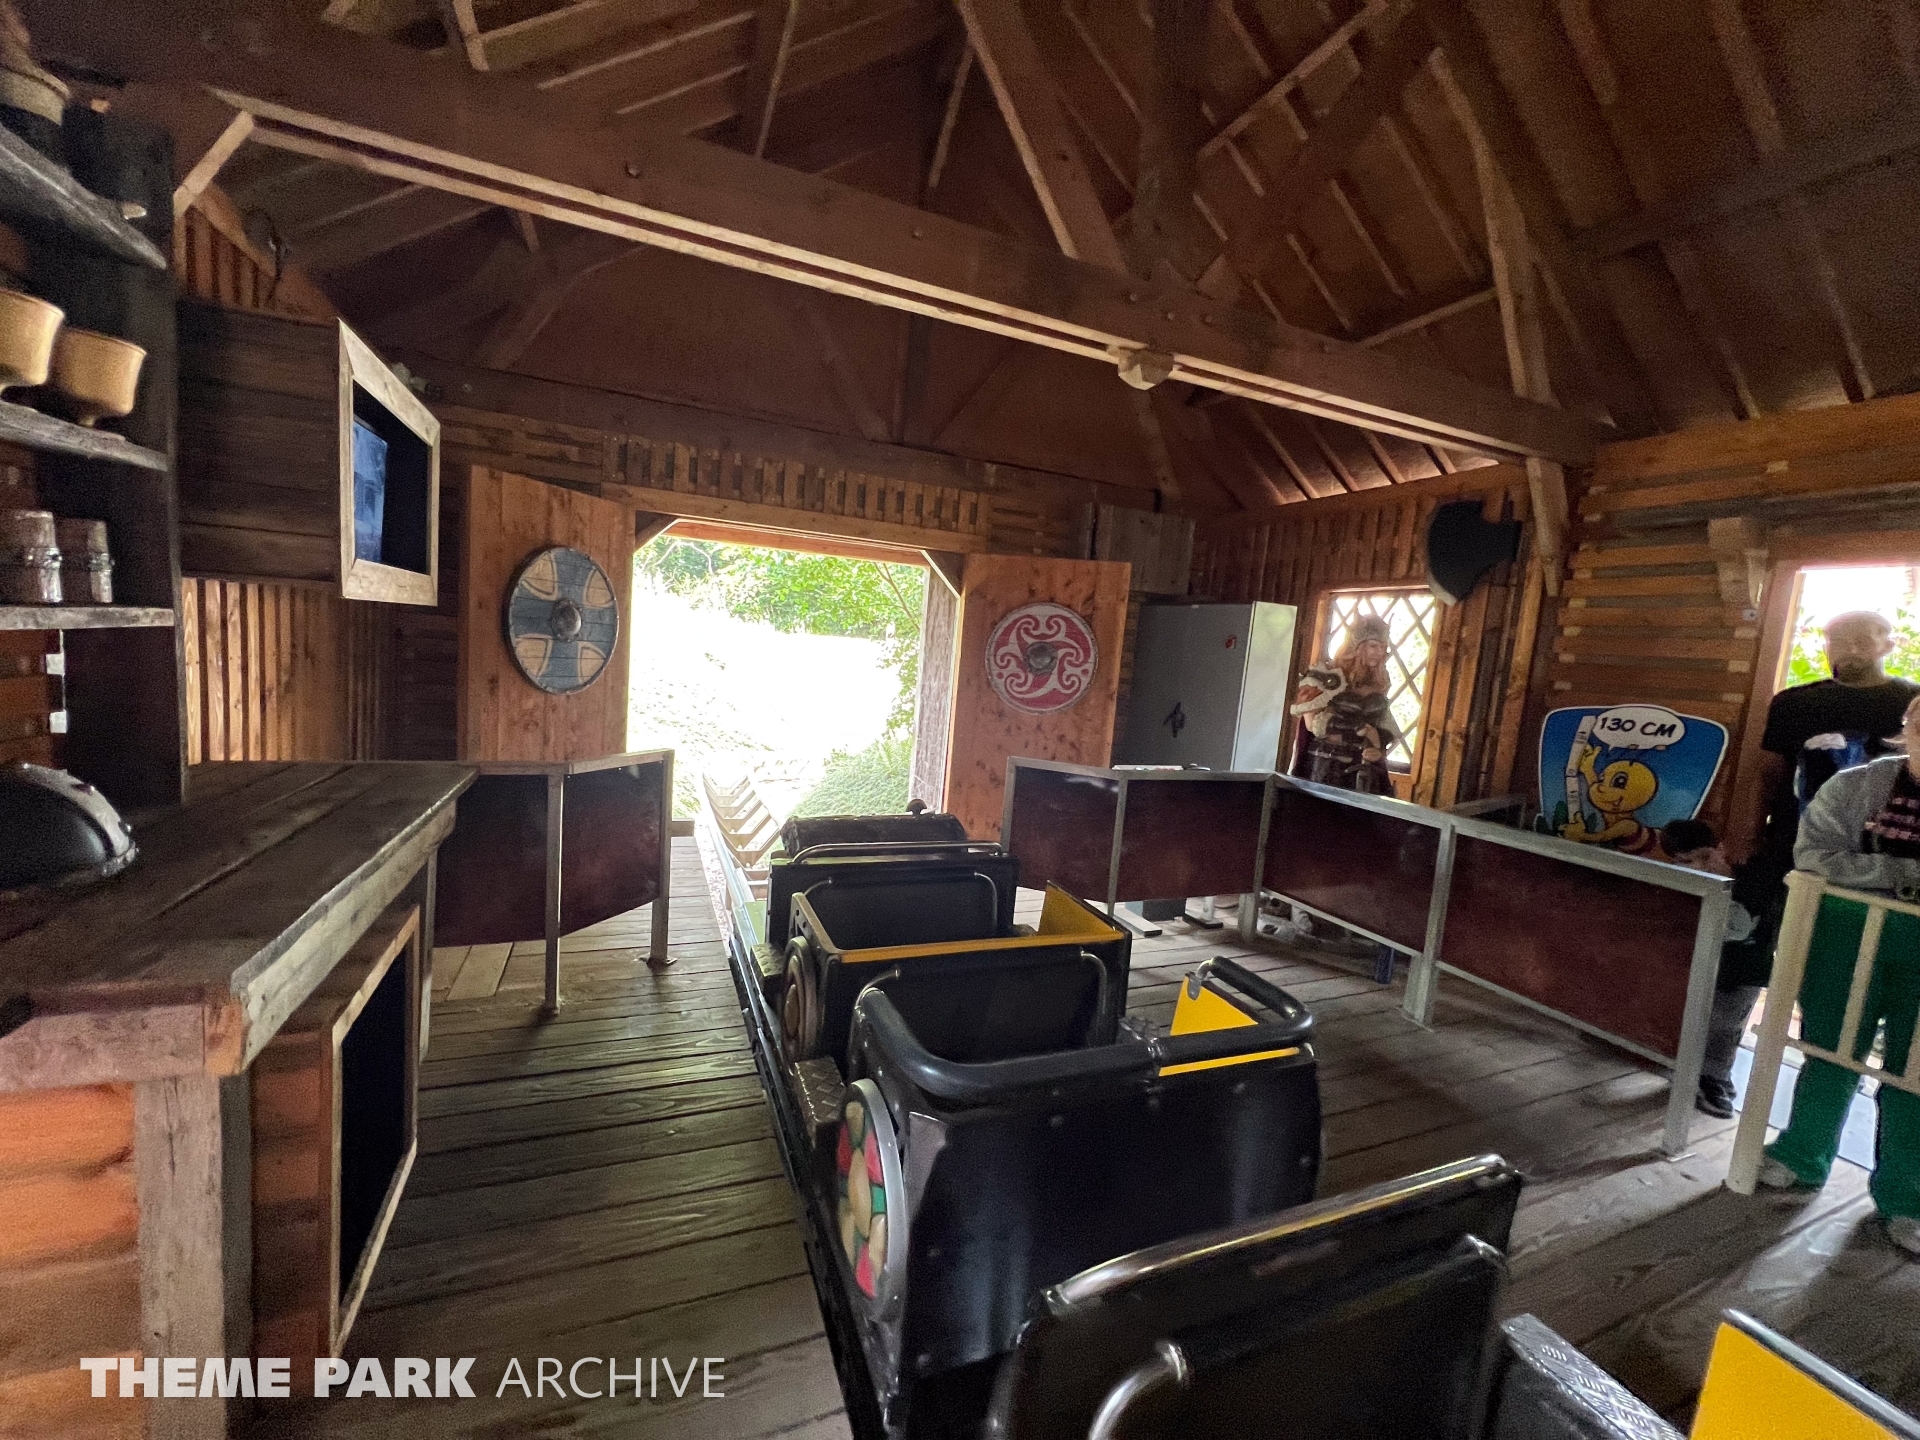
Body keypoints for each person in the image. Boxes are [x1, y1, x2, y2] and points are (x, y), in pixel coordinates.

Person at [1754, 694, 1920, 1259]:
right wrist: (1905, 875)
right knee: (1829, 1046)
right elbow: (1814, 855)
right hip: (1845, 935)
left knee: (1914, 1069)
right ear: (1907, 729)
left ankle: (1908, 1195)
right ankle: (1802, 1154)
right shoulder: (1855, 786)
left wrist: (1875, 875)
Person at [1747, 610, 1920, 882]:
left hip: (1887, 856)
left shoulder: (1913, 705)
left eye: (1862, 641)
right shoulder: (1793, 702)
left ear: (1888, 646)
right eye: (1838, 641)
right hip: (1791, 842)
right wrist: (1751, 837)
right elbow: (1768, 774)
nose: (1850, 650)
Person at [1659, 819, 1773, 1118]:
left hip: (1745, 970)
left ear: (1721, 849)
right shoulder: (1681, 886)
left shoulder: (1753, 882)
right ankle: (1699, 1073)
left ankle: (1714, 1078)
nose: (1701, 866)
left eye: (1706, 856)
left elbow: (1741, 927)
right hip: (1701, 967)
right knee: (1699, 1022)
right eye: (1688, 861)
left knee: (1727, 1026)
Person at [1292, 614, 1400, 796]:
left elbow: (1384, 724)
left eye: (1383, 647)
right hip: (1325, 766)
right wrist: (1356, 728)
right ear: (1356, 646)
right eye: (1374, 646)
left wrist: (1378, 745)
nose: (1380, 652)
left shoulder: (1379, 682)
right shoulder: (1325, 676)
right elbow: (1312, 724)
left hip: (1364, 767)